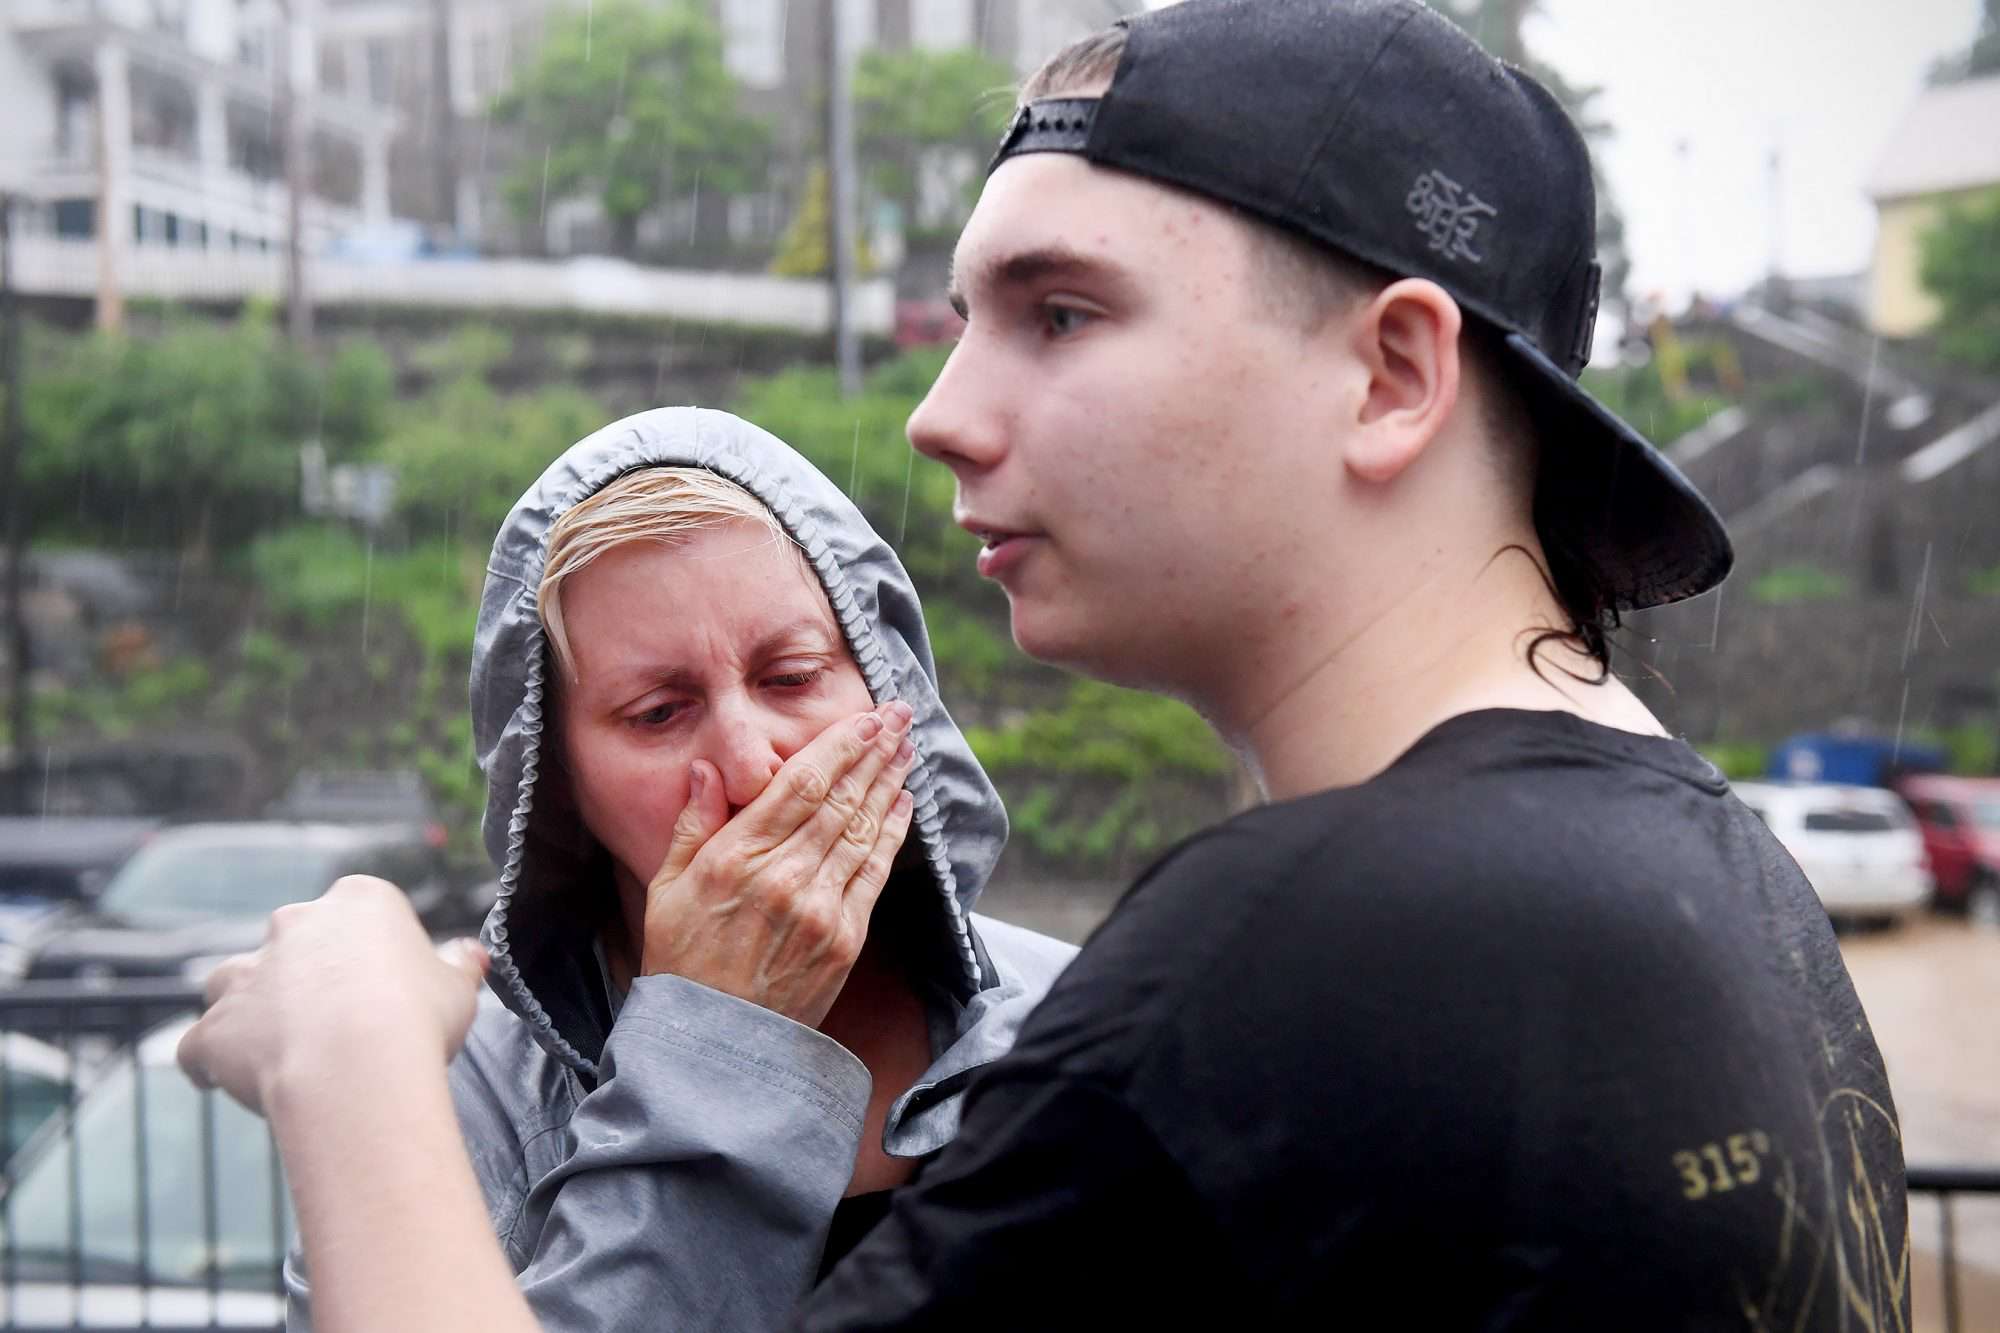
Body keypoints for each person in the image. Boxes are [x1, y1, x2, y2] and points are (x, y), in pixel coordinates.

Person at [182, 2, 1908, 1328]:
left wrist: (347, 1059)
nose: (940, 414)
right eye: (646, 705)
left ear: (1392, 375)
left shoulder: (1291, 958)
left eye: (1060, 312)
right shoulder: (1717, 867)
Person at [279, 409, 1076, 1329]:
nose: (752, 764)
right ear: (562, 790)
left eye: (793, 675)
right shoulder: (452, 1113)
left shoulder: (1078, 1019)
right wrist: (722, 1039)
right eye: (659, 712)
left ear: (886, 688)